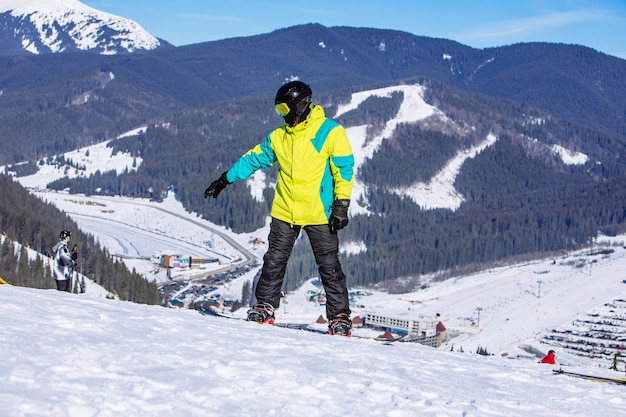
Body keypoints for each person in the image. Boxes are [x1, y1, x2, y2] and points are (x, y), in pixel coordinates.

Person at [204, 81, 354, 336]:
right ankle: (264, 306)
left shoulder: (330, 131)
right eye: (278, 110)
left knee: (329, 266)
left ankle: (339, 317)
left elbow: (344, 168)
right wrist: (224, 179)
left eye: (285, 108)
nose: (283, 114)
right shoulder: (279, 137)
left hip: (320, 212)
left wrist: (341, 204)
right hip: (285, 211)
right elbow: (254, 159)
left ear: (300, 104)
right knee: (274, 261)